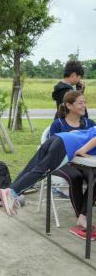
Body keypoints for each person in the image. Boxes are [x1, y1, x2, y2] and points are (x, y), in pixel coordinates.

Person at [0, 127, 96, 218]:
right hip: (66, 146)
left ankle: (10, 191)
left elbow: (74, 132)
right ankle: (11, 193)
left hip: (58, 137)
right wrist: (83, 150)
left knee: (31, 168)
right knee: (41, 172)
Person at [48, 90, 96, 238]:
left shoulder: (90, 123)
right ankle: (82, 218)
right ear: (69, 105)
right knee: (74, 177)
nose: (84, 106)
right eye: (80, 103)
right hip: (62, 163)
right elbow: (52, 148)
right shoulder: (58, 124)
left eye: (84, 102)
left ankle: (83, 216)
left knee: (95, 178)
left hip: (85, 163)